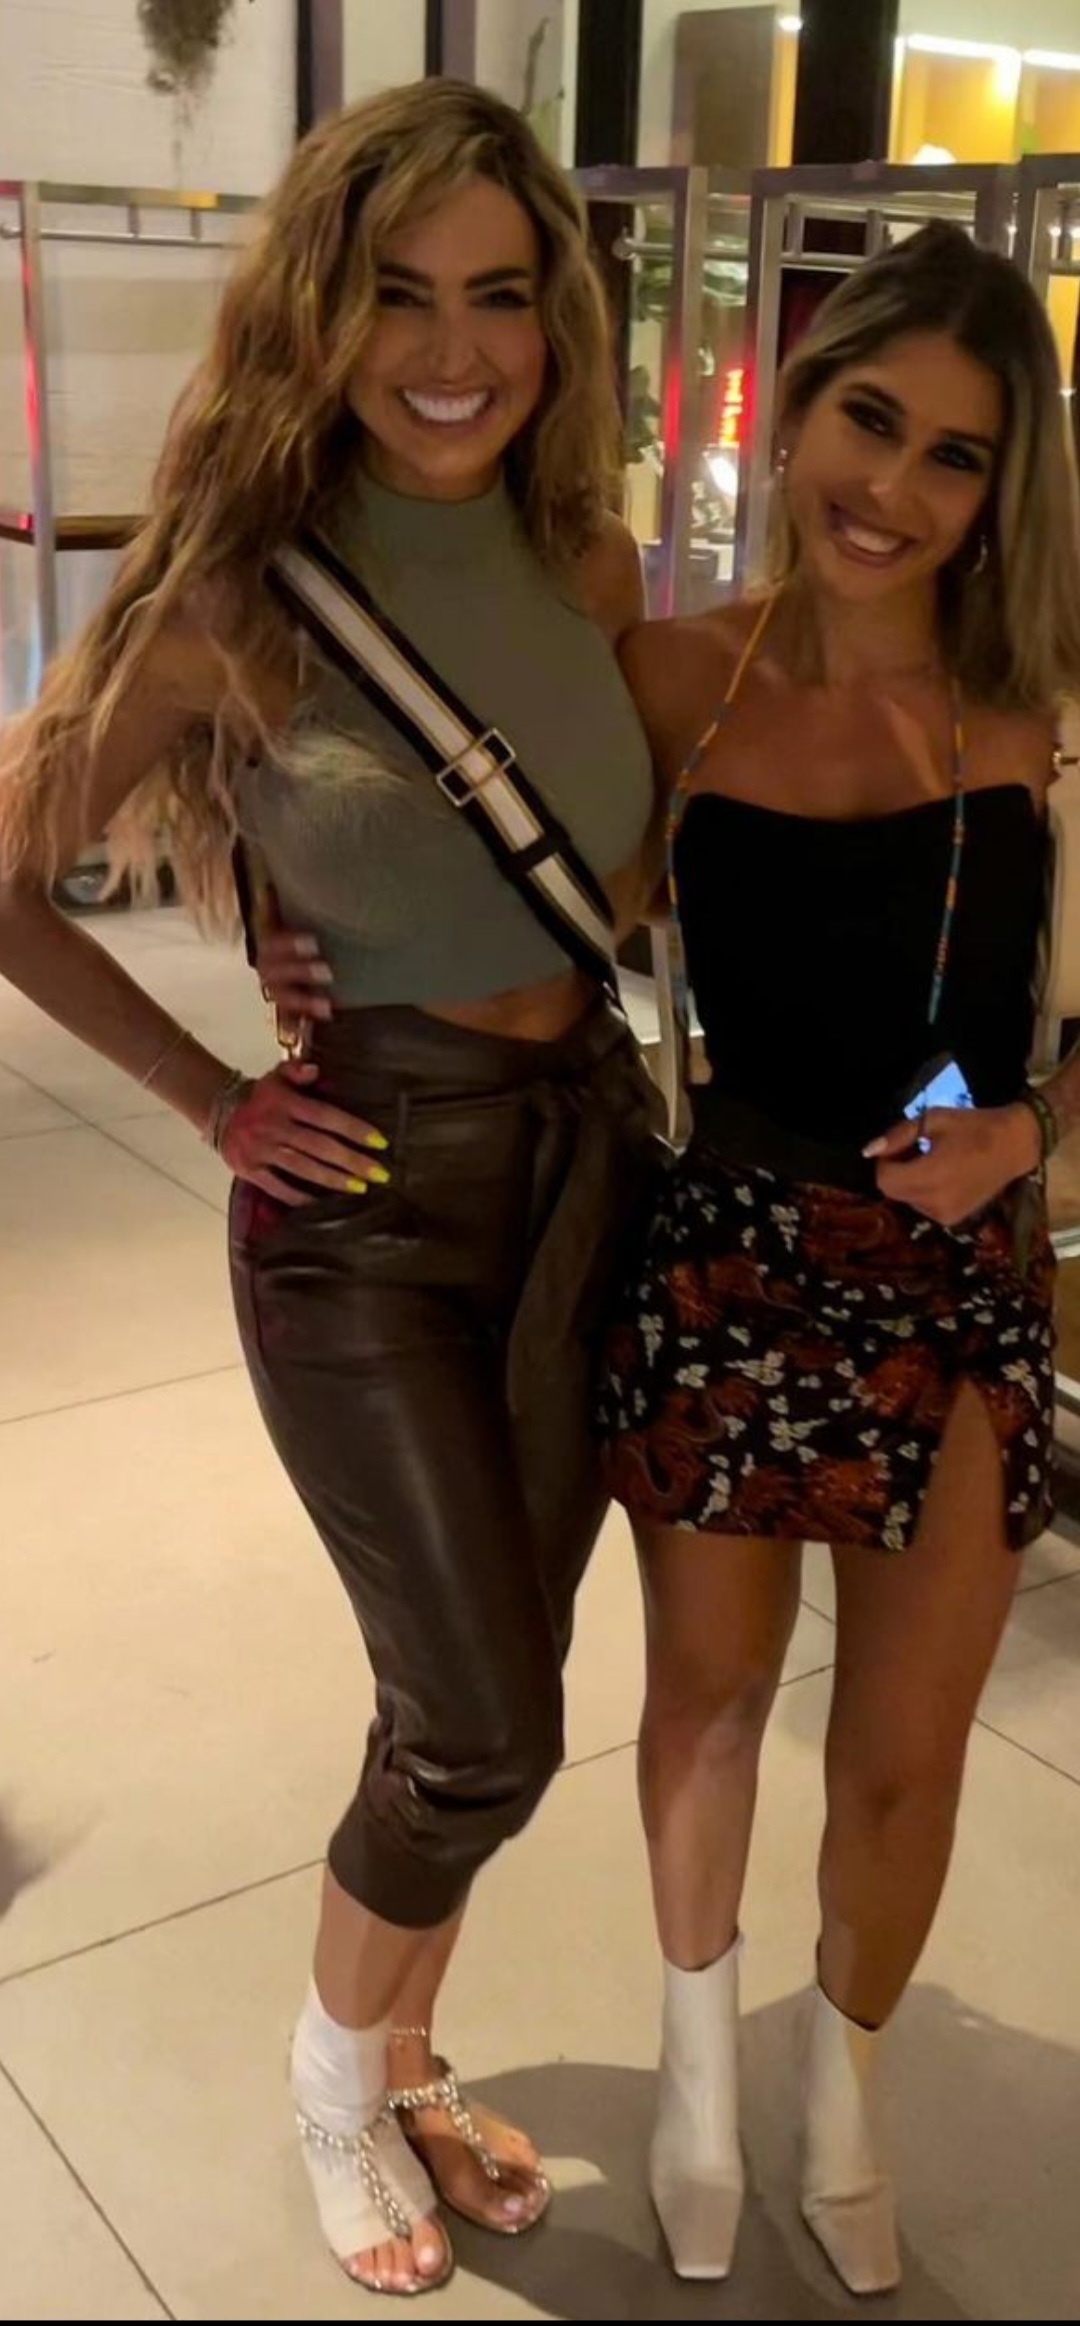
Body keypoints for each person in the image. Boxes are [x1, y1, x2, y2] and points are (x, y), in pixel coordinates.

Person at [0, 81, 664, 2297]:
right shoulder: (236, 597)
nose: (453, 350)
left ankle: (400, 2058)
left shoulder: (590, 562)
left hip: (583, 1174)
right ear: (319, 312)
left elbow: (601, 881)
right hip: (363, 1203)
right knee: (483, 1717)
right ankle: (324, 2079)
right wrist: (208, 1086)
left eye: (500, 295)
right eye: (398, 296)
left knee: (480, 1695)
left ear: (559, 318)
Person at [592, 221, 1080, 2296]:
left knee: (903, 1741)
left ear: (1004, 489)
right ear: (795, 409)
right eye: (869, 419)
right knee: (708, 1699)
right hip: (726, 1250)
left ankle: (845, 2088)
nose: (893, 486)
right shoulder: (674, 676)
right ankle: (703, 2073)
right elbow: (546, 911)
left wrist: (1034, 1132)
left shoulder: (1042, 714)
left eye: (957, 455)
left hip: (957, 1285)